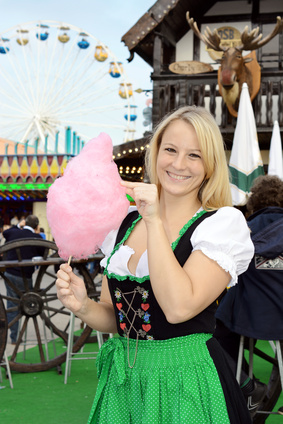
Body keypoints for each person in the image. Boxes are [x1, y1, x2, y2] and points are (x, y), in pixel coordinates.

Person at [56, 105, 254, 423]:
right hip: (125, 384)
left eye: (195, 155)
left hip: (187, 380)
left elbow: (178, 308)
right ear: (156, 152)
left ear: (211, 164)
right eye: (171, 150)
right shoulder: (124, 223)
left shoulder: (221, 224)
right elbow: (114, 317)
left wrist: (154, 220)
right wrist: (82, 306)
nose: (178, 164)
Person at [214, 174, 283, 417]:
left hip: (248, 321)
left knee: (210, 332)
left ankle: (245, 385)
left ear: (253, 204)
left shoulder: (239, 232)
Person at [3, 214, 45, 344]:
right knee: (28, 302)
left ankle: (14, 338)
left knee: (12, 305)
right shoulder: (37, 237)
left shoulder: (13, 233)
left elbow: (5, 232)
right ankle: (18, 335)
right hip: (25, 278)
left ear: (24, 223)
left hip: (9, 274)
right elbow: (42, 254)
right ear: (37, 226)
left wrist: (17, 225)